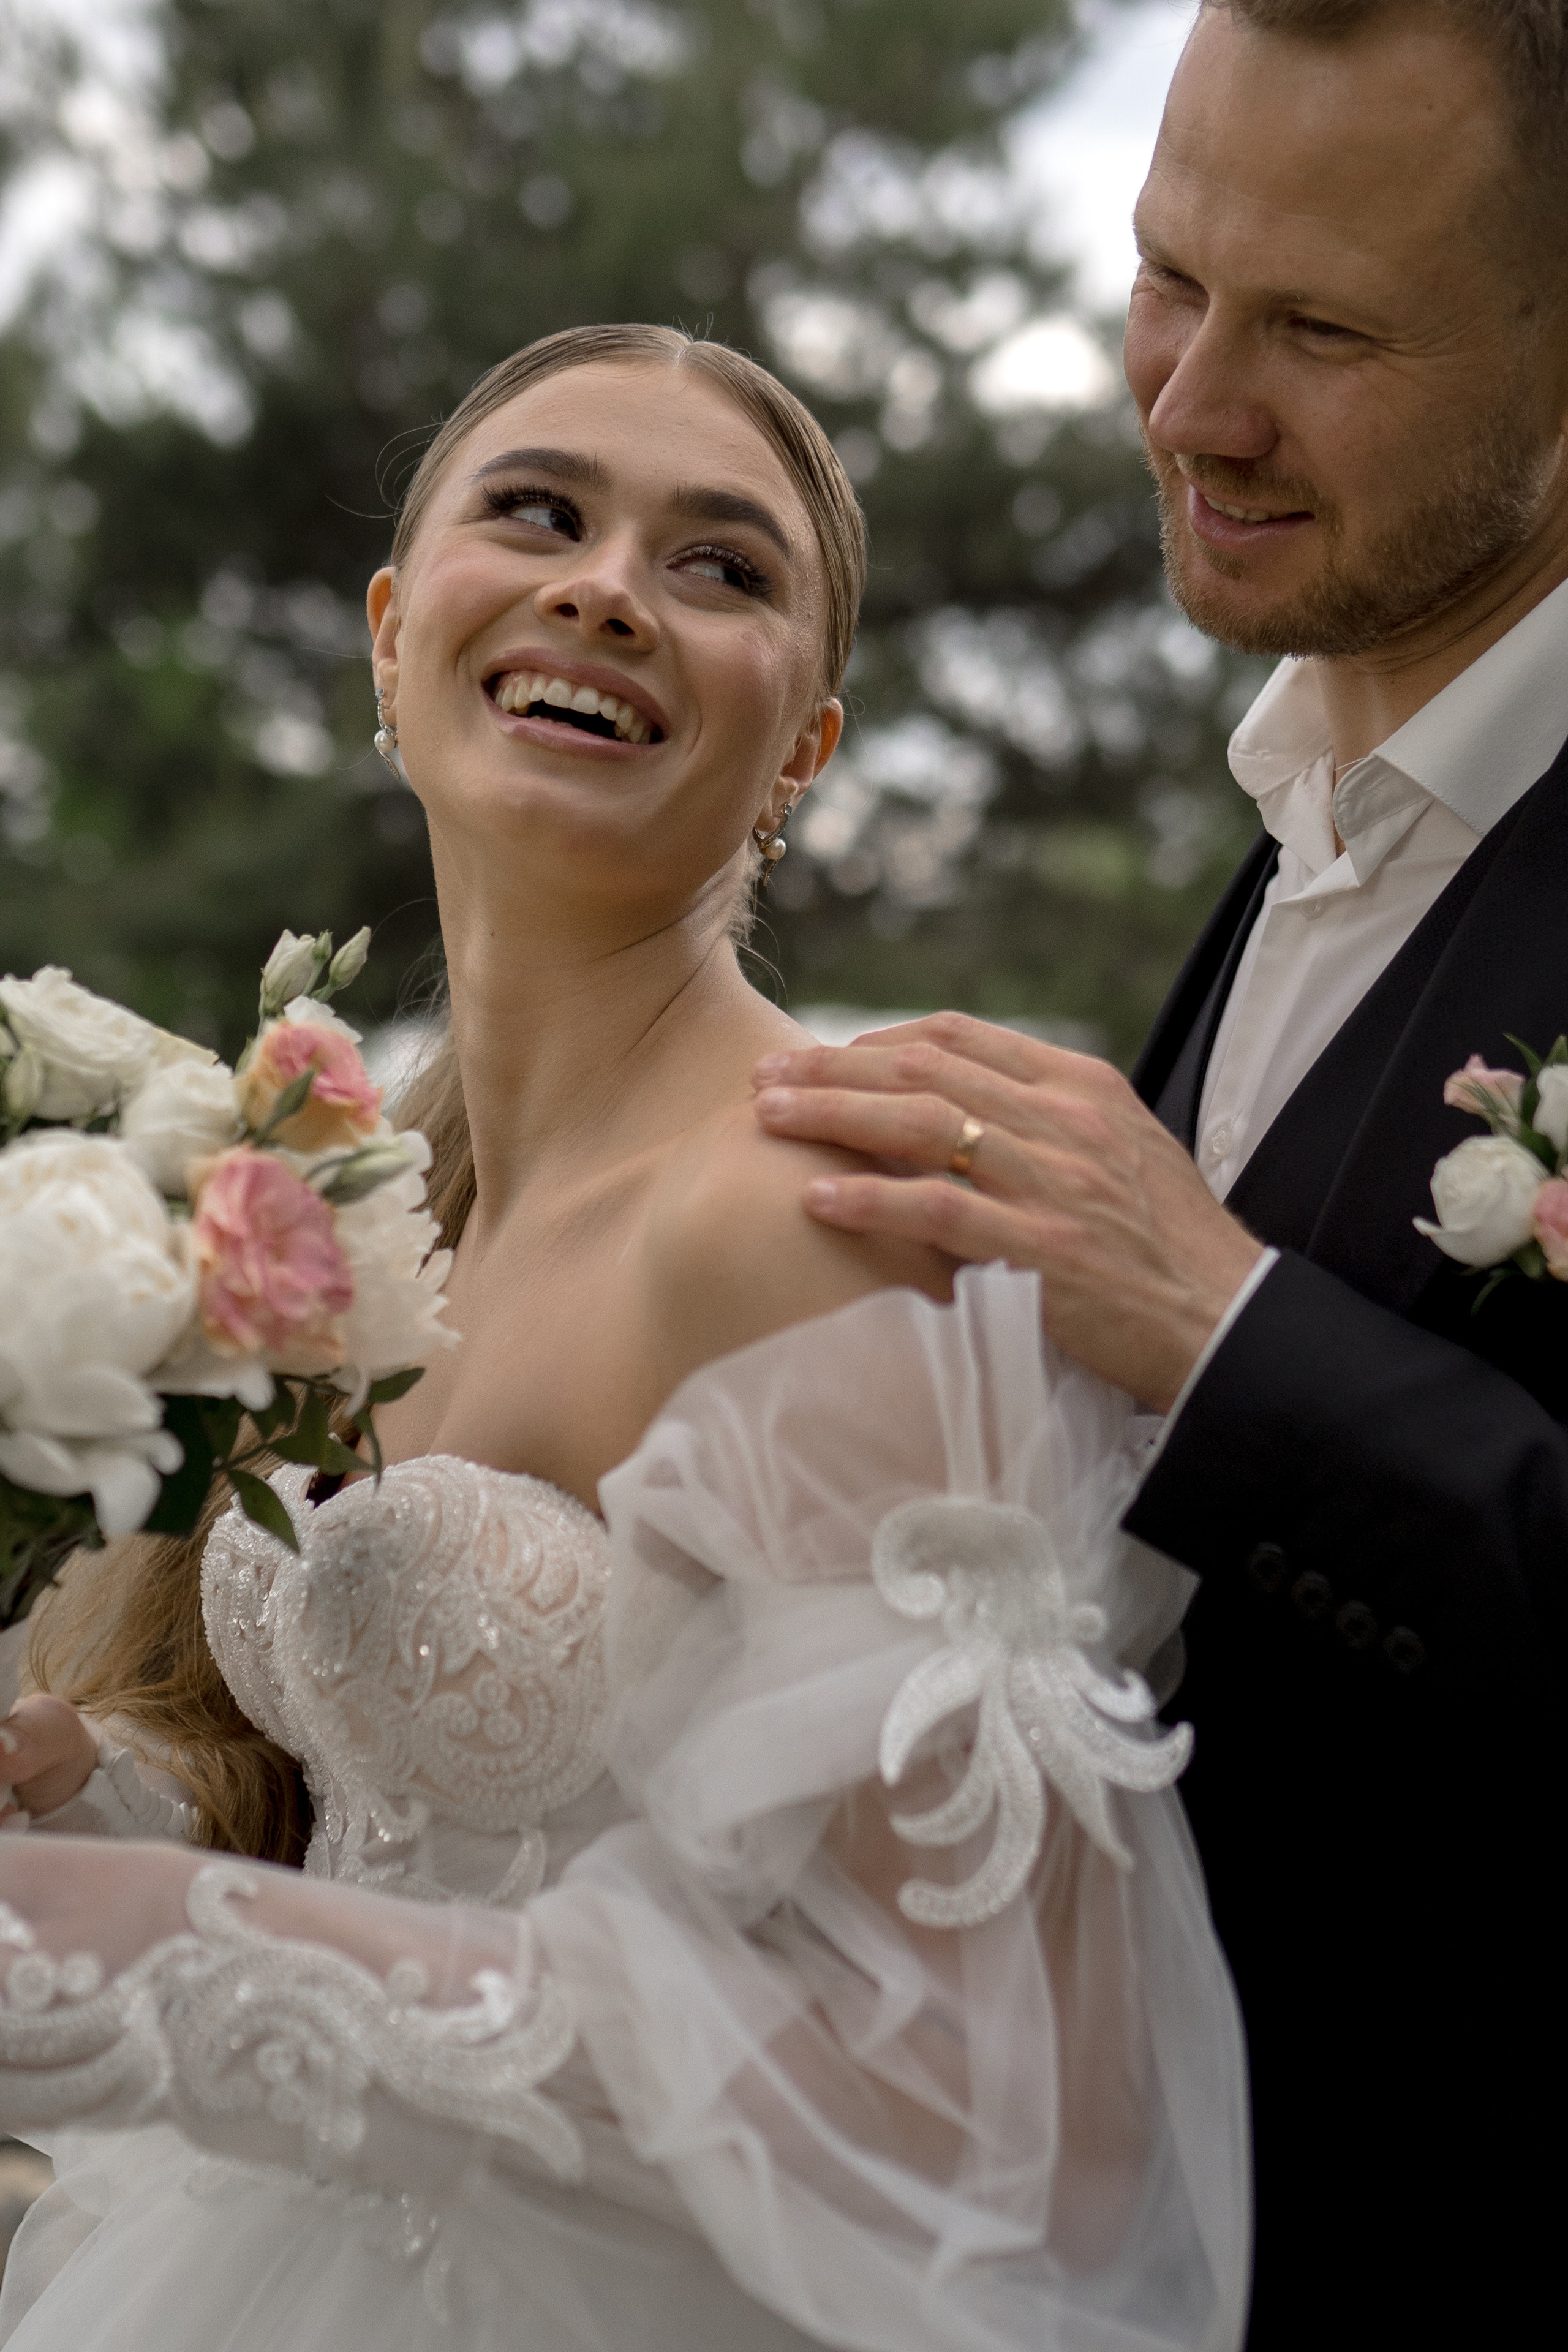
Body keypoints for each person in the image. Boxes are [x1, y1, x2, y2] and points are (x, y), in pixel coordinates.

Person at [0, 325, 1250, 2352]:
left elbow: (1013, 2121)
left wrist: (176, 1957)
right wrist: (95, 1805)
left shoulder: (809, 1223)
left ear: (804, 749)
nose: (605, 589)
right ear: (392, 637)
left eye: (719, 566)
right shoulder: (356, 1217)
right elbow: (413, 1843)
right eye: (540, 513)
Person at [748, 5, 1568, 2345]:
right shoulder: (1314, 813)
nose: (1192, 404)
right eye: (1167, 277)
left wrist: (1224, 1333)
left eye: (1321, 331)